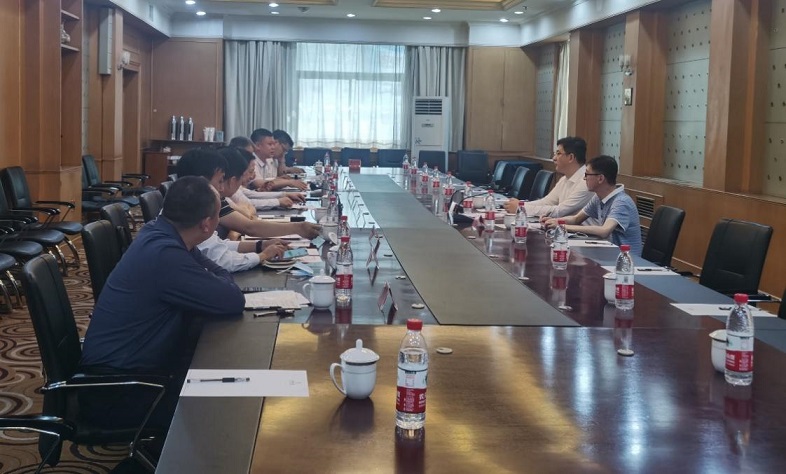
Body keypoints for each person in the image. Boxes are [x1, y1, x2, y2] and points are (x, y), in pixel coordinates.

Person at [79, 176, 246, 430]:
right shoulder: (165, 254)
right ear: (206, 224)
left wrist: (217, 277)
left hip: (130, 372)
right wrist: (218, 277)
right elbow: (232, 299)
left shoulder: (161, 233)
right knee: (228, 403)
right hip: (120, 391)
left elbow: (218, 276)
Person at [176, 148, 320, 240]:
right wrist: (298, 228)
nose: (221, 187)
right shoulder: (193, 212)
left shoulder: (207, 201)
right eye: (220, 180)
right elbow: (249, 227)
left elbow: (247, 223)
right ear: (201, 182)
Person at [543, 155, 642, 255]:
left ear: (600, 178)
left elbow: (604, 231)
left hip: (626, 259)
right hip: (608, 253)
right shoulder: (598, 197)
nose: (584, 178)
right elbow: (576, 219)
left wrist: (563, 227)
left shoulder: (621, 202)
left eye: (587, 174)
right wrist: (555, 221)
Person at [503, 136, 593, 219]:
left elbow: (560, 211)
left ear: (571, 157)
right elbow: (547, 202)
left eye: (558, 154)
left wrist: (521, 208)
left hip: (581, 231)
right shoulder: (564, 179)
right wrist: (521, 204)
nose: (554, 158)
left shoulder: (586, 182)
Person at [229, 135, 305, 207]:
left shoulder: (263, 160)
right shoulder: (230, 180)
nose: (273, 147)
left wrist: (284, 194)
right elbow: (248, 203)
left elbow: (250, 194)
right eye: (270, 144)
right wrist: (278, 201)